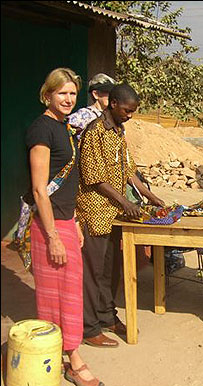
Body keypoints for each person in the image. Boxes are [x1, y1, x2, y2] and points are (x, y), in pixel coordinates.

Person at [27, 68, 104, 386]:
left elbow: (68, 183)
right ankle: (71, 359)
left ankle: (65, 352)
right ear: (48, 95)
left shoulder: (65, 128)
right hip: (49, 227)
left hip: (65, 222)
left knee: (70, 294)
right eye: (62, 93)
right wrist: (55, 236)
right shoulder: (41, 130)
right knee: (55, 297)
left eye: (73, 93)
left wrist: (74, 222)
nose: (69, 99)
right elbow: (39, 189)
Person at [76, 83, 165, 348]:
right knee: (93, 271)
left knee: (111, 268)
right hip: (95, 210)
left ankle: (107, 316)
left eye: (133, 112)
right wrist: (125, 201)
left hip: (113, 211)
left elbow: (128, 169)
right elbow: (94, 178)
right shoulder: (95, 132)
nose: (130, 115)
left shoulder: (118, 131)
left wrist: (149, 195)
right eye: (127, 110)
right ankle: (89, 327)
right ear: (113, 104)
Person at [68, 73, 116, 140]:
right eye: (108, 93)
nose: (112, 96)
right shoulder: (83, 115)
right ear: (95, 94)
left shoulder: (114, 117)